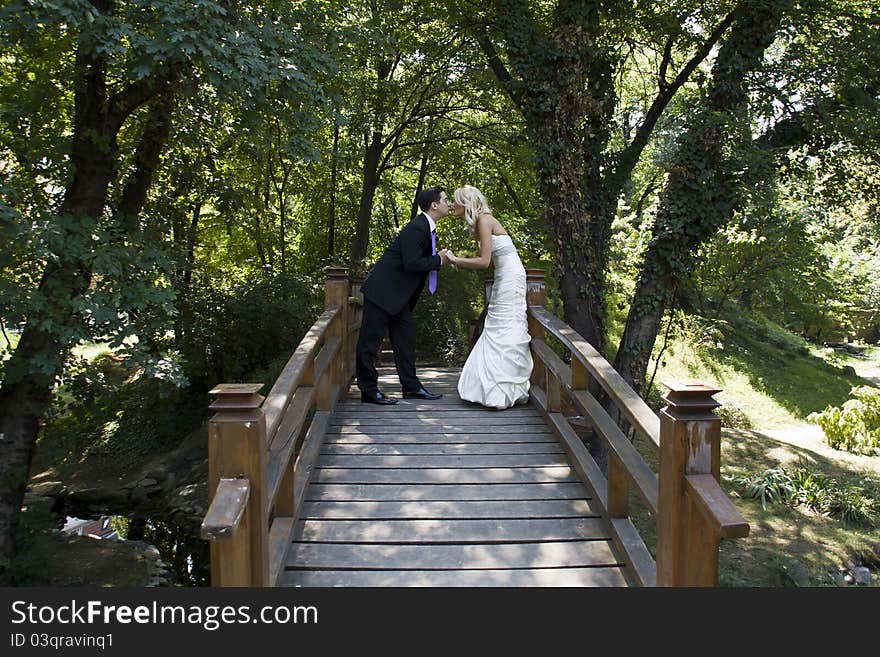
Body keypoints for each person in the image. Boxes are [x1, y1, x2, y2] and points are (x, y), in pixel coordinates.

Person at [355, 186, 452, 404]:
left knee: (405, 343)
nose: (449, 204)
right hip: (382, 292)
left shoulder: (426, 228)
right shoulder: (418, 227)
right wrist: (438, 260)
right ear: (434, 205)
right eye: (445, 200)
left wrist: (437, 259)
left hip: (399, 298)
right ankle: (369, 390)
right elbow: (412, 264)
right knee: (369, 344)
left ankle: (411, 387)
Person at [447, 185, 533, 409]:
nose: (452, 206)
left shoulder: (485, 220)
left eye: (455, 202)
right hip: (502, 274)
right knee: (496, 324)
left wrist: (455, 260)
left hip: (511, 276)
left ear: (465, 204)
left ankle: (504, 390)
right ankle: (489, 387)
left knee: (505, 324)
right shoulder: (479, 224)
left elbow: (484, 261)